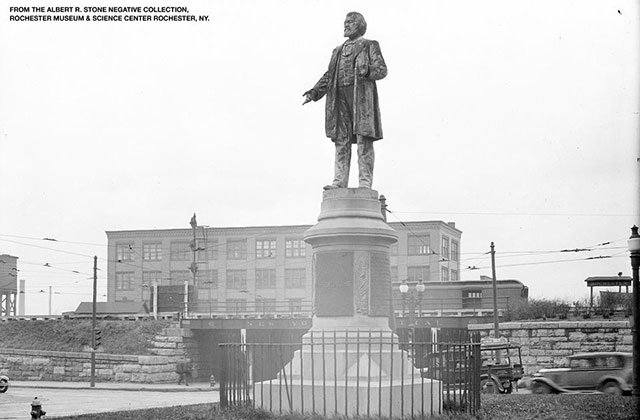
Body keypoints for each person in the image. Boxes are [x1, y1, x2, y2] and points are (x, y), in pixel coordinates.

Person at [303, 11, 387, 190]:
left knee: (364, 141)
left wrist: (367, 70)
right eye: (345, 22)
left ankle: (365, 183)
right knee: (341, 140)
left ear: (359, 25)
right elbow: (330, 75)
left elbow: (381, 69)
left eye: (350, 22)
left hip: (361, 100)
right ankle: (339, 181)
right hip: (339, 98)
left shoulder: (369, 45)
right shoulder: (337, 50)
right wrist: (314, 92)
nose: (346, 25)